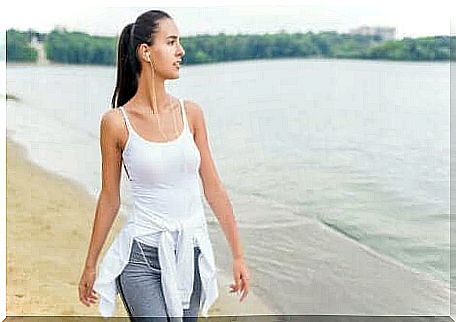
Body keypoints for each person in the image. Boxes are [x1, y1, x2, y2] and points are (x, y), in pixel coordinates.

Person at [78, 9, 250, 322]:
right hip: (141, 259)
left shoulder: (192, 114)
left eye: (178, 42)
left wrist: (238, 254)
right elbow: (109, 198)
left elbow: (213, 188)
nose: (181, 50)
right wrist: (91, 263)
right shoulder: (116, 123)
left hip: (191, 252)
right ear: (145, 52)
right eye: (171, 42)